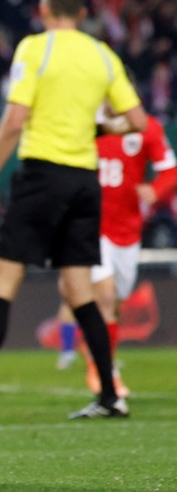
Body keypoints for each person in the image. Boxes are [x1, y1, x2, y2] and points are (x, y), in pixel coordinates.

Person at [0, 0, 147, 422]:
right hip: (85, 181)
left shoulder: (36, 48)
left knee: (2, 281)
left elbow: (16, 119)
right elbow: (137, 120)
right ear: (81, 12)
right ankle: (110, 395)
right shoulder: (103, 54)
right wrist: (100, 128)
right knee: (79, 289)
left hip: (42, 174)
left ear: (44, 9)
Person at [52, 110, 176, 393]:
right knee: (105, 297)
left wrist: (156, 190)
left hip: (128, 231)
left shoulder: (146, 126)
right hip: (91, 226)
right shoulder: (85, 121)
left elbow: (170, 170)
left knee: (115, 305)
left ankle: (99, 356)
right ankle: (103, 370)